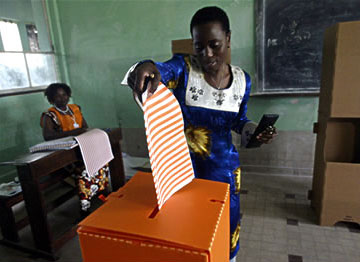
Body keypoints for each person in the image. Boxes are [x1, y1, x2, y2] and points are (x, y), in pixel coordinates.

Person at [123, 6, 277, 261]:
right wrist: (146, 66)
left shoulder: (243, 80)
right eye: (199, 46)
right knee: (185, 226)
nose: (207, 54)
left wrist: (255, 132)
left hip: (224, 169)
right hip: (182, 168)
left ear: (228, 38)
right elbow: (161, 70)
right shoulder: (184, 69)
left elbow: (240, 121)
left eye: (214, 45)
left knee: (225, 225)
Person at [41, 83, 110, 214]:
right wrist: (74, 132)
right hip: (66, 153)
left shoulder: (75, 108)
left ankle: (100, 192)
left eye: (64, 95)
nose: (62, 98)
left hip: (82, 146)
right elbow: (48, 136)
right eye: (57, 96)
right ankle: (85, 205)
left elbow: (85, 127)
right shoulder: (49, 115)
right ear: (51, 99)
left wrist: (82, 132)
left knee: (102, 160)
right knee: (83, 170)